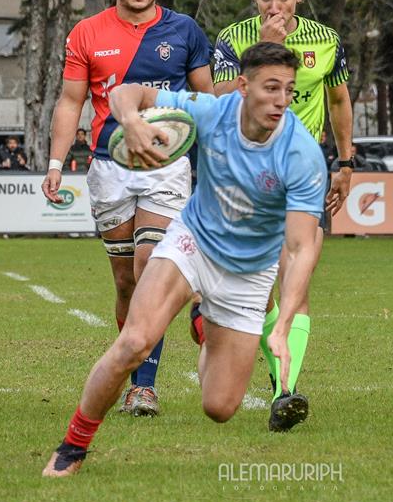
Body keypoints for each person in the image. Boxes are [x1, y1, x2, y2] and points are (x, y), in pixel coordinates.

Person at [43, 42, 327, 477]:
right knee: (135, 343)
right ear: (243, 85)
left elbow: (302, 247)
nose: (281, 100)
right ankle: (72, 447)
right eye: (271, 88)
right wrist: (132, 120)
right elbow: (127, 92)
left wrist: (284, 325)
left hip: (249, 275)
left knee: (220, 407)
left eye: (289, 90)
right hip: (192, 242)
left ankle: (205, 321)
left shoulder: (302, 154)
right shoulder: (214, 111)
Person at [41, 0, 213, 418]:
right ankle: (128, 366)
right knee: (124, 283)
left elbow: (207, 97)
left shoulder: (184, 31)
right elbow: (70, 101)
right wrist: (56, 165)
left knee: (149, 266)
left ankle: (145, 387)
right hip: (107, 167)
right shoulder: (87, 32)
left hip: (165, 165)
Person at [209, 0, 356, 431]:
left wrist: (347, 161)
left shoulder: (327, 41)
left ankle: (284, 389)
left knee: (295, 277)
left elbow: (338, 101)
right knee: (259, 286)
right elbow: (219, 99)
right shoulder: (233, 39)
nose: (276, 8)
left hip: (304, 170)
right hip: (246, 170)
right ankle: (212, 323)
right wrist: (263, 52)